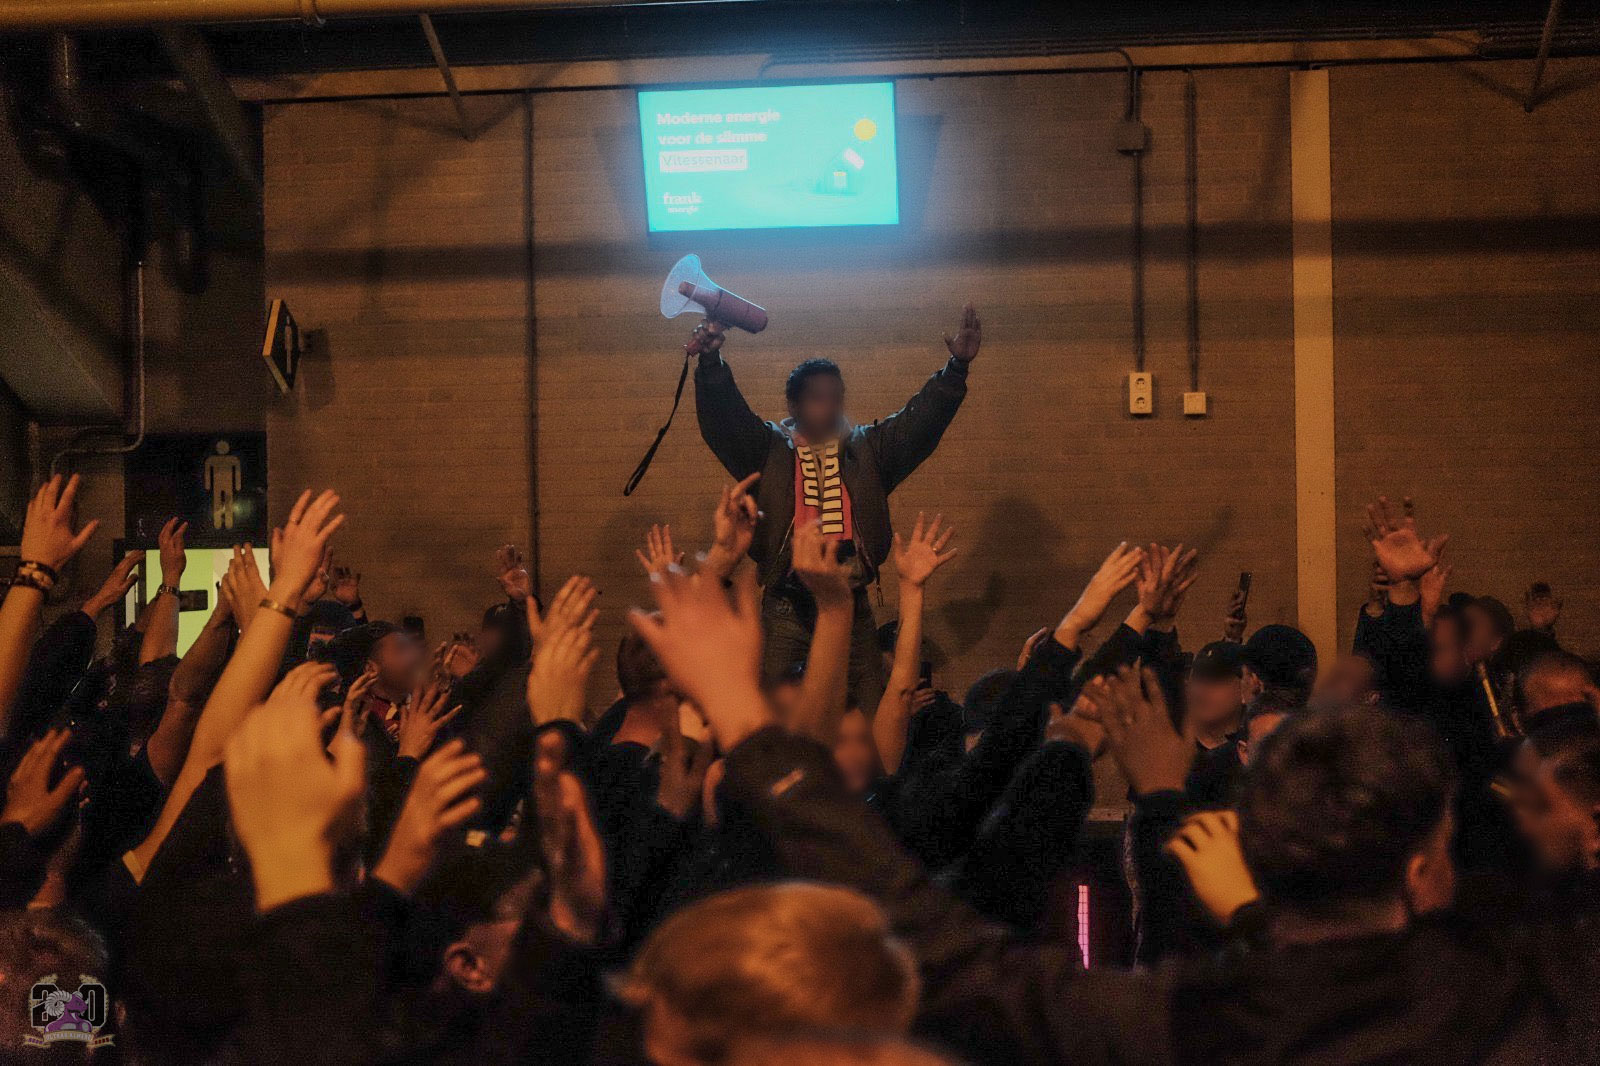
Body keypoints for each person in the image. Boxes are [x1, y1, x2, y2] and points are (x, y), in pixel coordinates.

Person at [690, 306, 982, 708]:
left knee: (867, 708)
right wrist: (710, 363)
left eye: (836, 398)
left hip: (851, 601)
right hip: (786, 606)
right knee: (774, 711)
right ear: (794, 406)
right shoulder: (770, 451)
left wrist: (956, 370)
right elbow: (727, 419)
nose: (829, 407)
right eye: (817, 399)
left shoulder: (868, 450)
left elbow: (917, 425)